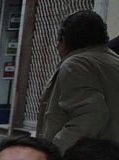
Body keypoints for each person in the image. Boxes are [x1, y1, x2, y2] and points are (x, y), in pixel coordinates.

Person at [37, 10, 119, 150]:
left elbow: (91, 116)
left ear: (64, 40)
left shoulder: (75, 64)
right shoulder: (112, 60)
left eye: (58, 41)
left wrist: (55, 151)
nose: (57, 47)